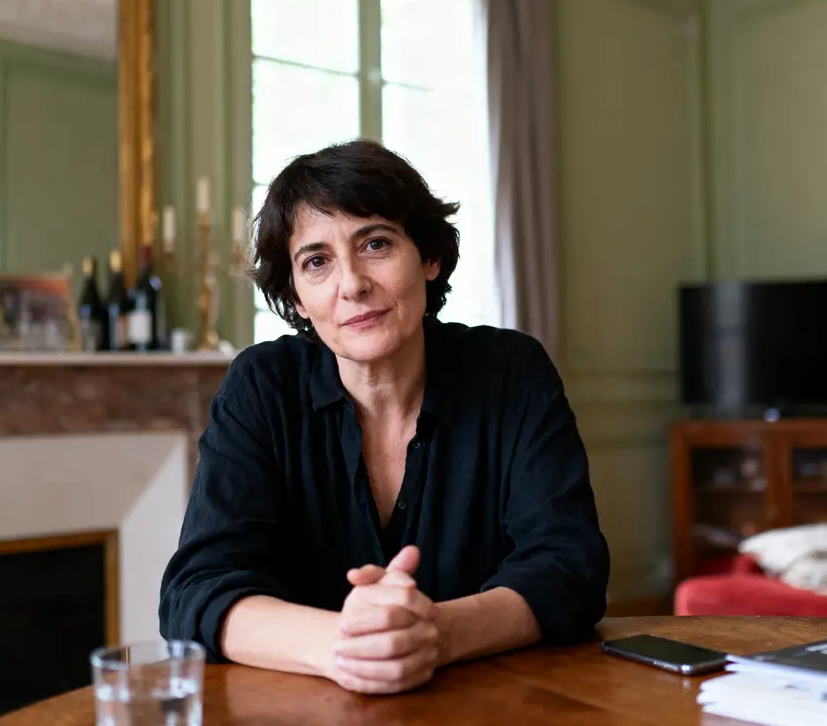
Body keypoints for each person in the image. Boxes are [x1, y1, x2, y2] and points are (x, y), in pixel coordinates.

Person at [159, 139, 610, 696]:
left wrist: (438, 634)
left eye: (374, 243)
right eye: (316, 261)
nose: (351, 284)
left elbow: (571, 567)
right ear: (297, 297)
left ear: (429, 257)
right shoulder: (261, 387)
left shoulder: (512, 372)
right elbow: (196, 590)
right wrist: (344, 644)